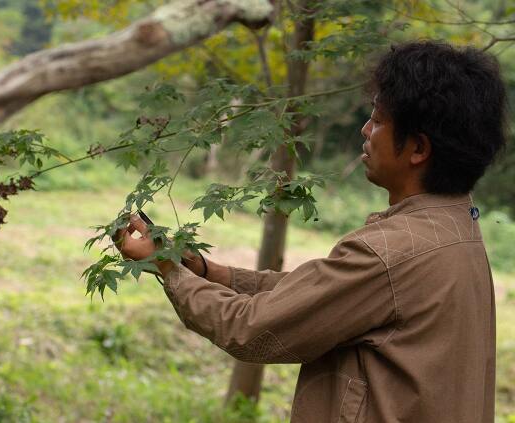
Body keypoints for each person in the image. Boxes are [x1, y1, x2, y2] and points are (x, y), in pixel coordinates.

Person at [115, 41, 508, 422]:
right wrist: (207, 271)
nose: (365, 130)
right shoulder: (457, 226)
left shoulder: (391, 253)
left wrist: (167, 269)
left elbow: (250, 329)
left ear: (418, 149)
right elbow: (321, 294)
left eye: (378, 120)